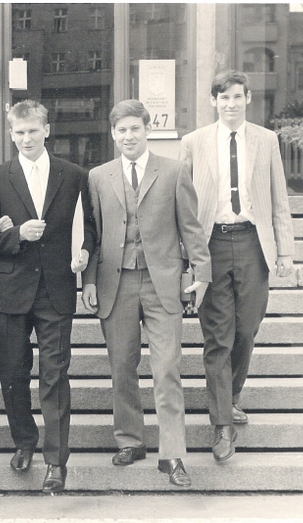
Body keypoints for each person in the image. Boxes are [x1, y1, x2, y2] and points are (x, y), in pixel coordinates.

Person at [81, 99, 211, 488]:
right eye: (121, 130)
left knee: (167, 367)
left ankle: (172, 454)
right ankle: (130, 440)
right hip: (115, 282)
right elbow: (92, 233)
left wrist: (201, 273)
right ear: (112, 134)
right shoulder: (98, 176)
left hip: (162, 283)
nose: (128, 136)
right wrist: (89, 280)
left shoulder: (173, 171)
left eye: (135, 128)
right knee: (122, 366)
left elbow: (191, 227)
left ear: (147, 130)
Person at [0, 100, 97, 494]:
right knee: (13, 373)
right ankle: (24, 442)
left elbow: (88, 228)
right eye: (19, 132)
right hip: (11, 291)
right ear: (11, 134)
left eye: (33, 131)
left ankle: (56, 462)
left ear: (46, 130)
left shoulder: (74, 175)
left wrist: (84, 252)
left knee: (54, 375)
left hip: (56, 290)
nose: (26, 139)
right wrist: (17, 234)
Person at [179, 70, 294, 462]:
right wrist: (186, 255)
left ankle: (231, 395)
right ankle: (222, 425)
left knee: (246, 329)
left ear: (248, 99)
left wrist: (285, 251)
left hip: (251, 243)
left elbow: (278, 197)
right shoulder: (194, 142)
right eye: (223, 97)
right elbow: (183, 203)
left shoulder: (266, 140)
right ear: (214, 101)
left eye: (237, 97)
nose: (231, 104)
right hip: (209, 244)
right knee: (218, 336)